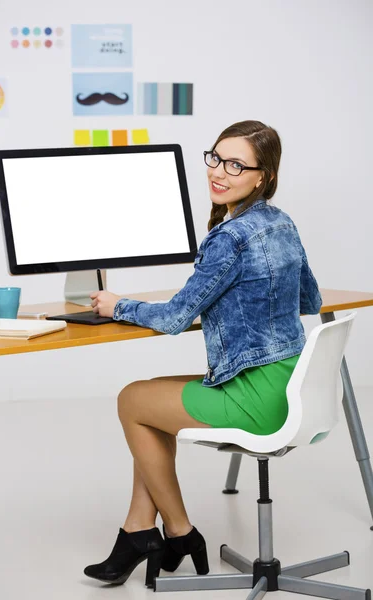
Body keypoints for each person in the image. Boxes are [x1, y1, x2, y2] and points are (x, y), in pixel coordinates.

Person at [84, 120, 322, 588]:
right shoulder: (281, 222)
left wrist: (118, 305)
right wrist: (241, 303)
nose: (219, 171)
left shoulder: (231, 237)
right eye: (215, 157)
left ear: (263, 177)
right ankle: (137, 530)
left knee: (131, 400)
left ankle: (180, 531)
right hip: (294, 383)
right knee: (149, 400)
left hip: (260, 399)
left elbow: (174, 318)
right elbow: (308, 301)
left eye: (236, 164)